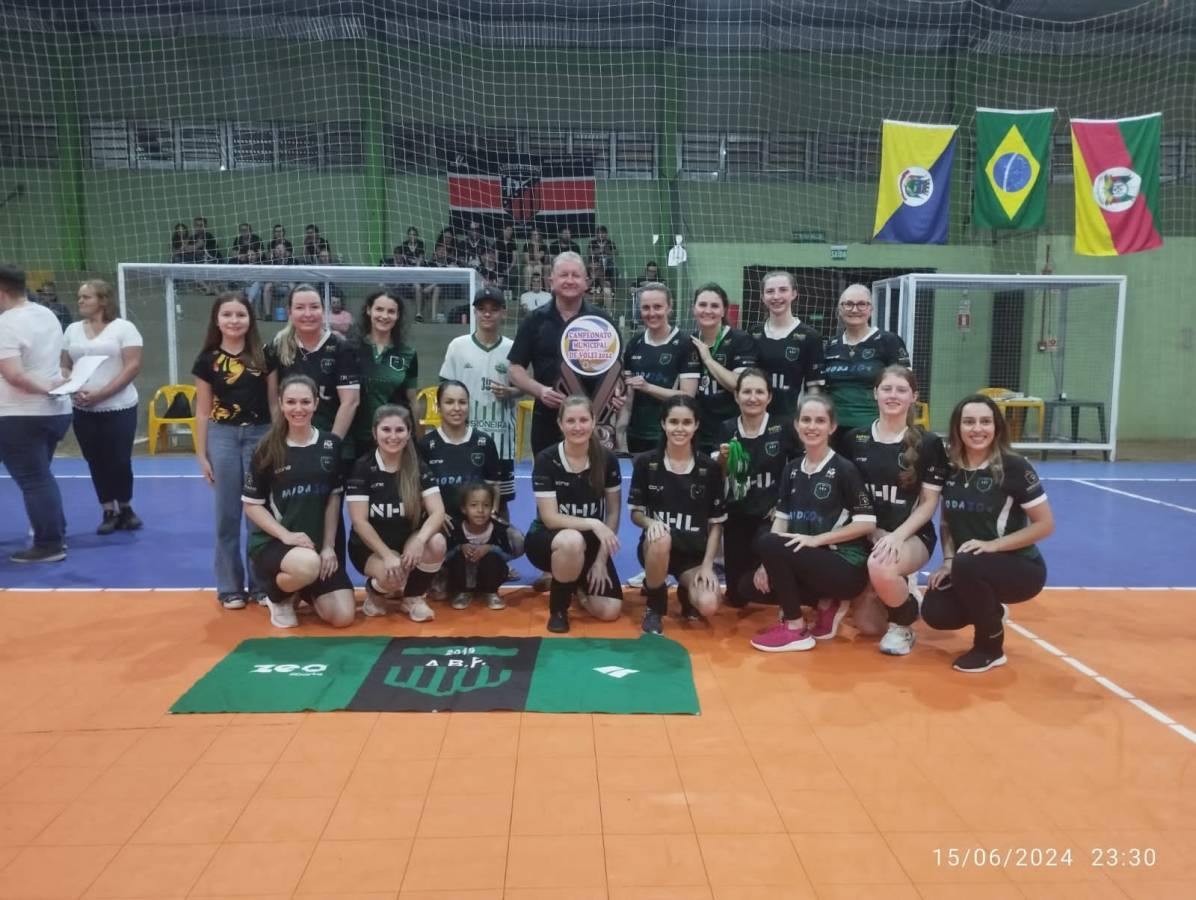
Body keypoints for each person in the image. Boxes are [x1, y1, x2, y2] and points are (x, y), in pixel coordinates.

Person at [922, 393, 1054, 673]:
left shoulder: (1013, 467)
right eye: (969, 422)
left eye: (985, 421)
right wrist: (948, 561)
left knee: (968, 562)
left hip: (1021, 567)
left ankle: (990, 648)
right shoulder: (951, 466)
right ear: (958, 427)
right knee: (936, 612)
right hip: (969, 564)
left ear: (996, 427)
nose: (977, 429)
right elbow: (946, 522)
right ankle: (992, 610)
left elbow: (1045, 524)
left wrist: (994, 545)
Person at [749, 395, 877, 652]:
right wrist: (767, 563)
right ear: (796, 425)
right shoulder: (792, 469)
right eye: (806, 420)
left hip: (845, 565)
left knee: (768, 543)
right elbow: (782, 520)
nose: (812, 426)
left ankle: (795, 628)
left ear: (832, 427)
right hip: (811, 560)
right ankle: (825, 603)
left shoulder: (844, 469)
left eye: (820, 421)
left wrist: (816, 540)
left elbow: (867, 523)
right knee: (749, 586)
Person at [842, 366, 947, 655]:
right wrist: (872, 530)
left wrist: (896, 536)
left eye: (901, 390)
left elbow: (928, 503)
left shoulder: (928, 443)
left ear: (914, 396)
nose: (893, 395)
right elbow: (849, 497)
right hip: (866, 533)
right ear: (875, 393)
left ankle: (903, 623)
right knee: (868, 626)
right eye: (887, 389)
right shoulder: (855, 439)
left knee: (881, 564)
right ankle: (900, 592)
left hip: (910, 536)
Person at [243, 375, 357, 629]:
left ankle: (303, 587)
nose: (298, 409)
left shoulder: (330, 444)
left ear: (316, 403)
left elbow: (333, 498)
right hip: (274, 543)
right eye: (291, 402)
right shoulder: (267, 448)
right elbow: (252, 505)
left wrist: (328, 546)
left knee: (343, 616)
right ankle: (277, 597)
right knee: (308, 564)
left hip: (316, 548)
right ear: (281, 404)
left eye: (305, 402)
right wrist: (286, 536)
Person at [193, 291, 275, 609]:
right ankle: (230, 587)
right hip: (223, 437)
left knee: (259, 513)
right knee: (227, 515)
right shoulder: (207, 360)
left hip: (260, 435)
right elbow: (203, 411)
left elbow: (274, 405)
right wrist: (202, 455)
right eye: (227, 314)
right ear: (217, 320)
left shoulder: (264, 356)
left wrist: (278, 442)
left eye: (240, 314)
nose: (234, 320)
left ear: (250, 319)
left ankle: (261, 585)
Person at [508, 252, 624, 454]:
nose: (570, 280)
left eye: (576, 275)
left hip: (593, 423)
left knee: (595, 474)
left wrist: (617, 392)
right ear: (551, 281)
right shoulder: (534, 321)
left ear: (586, 282)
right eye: (564, 275)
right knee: (548, 474)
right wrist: (540, 391)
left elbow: (616, 369)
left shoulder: (602, 321)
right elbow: (514, 369)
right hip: (547, 421)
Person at [525, 395, 624, 633]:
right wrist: (593, 523)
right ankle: (559, 609)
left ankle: (577, 585)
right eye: (570, 421)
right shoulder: (546, 459)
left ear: (593, 421)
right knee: (571, 540)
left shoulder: (607, 459)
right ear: (560, 424)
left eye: (583, 420)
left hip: (589, 543)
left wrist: (600, 560)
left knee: (609, 611)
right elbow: (550, 518)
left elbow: (613, 513)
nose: (577, 427)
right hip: (547, 539)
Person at [629, 396, 726, 634]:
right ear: (663, 423)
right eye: (673, 422)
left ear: (696, 425)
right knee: (662, 537)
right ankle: (655, 605)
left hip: (693, 555)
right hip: (656, 548)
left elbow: (716, 524)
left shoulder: (710, 469)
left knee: (708, 605)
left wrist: (707, 566)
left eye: (686, 422)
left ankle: (686, 593)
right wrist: (650, 522)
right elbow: (636, 514)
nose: (680, 428)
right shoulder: (646, 463)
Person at [346, 404, 446, 622]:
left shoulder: (418, 466)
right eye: (386, 430)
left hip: (406, 539)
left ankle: (413, 598)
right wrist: (387, 555)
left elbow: (438, 511)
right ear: (375, 433)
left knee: (436, 543)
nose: (393, 436)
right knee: (392, 575)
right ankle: (375, 591)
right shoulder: (362, 468)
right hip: (369, 547)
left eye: (400, 430)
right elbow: (359, 522)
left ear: (409, 433)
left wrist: (419, 540)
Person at [61, 279, 144, 535]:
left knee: (119, 459)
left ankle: (126, 507)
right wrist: (71, 385)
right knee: (95, 459)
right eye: (79, 297)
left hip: (120, 407)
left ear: (103, 300)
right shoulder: (72, 330)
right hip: (83, 409)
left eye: (86, 297)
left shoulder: (124, 328)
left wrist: (102, 394)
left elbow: (132, 366)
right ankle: (108, 509)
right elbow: (64, 365)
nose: (80, 301)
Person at [0, 264, 71, 563]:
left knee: (34, 479)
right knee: (40, 476)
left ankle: (49, 543)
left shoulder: (6, 324)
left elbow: (15, 375)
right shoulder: (46, 314)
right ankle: (54, 533)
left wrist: (46, 387)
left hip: (21, 414)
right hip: (54, 412)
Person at [716, 368, 800, 608]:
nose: (753, 398)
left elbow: (799, 471)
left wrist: (784, 506)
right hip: (737, 516)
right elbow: (718, 476)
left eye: (759, 392)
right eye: (747, 392)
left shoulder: (784, 427)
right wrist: (722, 460)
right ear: (736, 396)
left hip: (771, 517)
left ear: (769, 397)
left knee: (772, 588)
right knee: (737, 597)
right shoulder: (726, 429)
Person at [439, 286, 520, 505]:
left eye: (494, 309)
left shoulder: (513, 348)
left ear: (503, 313)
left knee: (500, 502)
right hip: (464, 437)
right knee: (461, 499)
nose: (487, 314)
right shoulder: (458, 346)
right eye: (482, 309)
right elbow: (444, 387)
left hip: (501, 437)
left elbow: (522, 388)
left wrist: (511, 392)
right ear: (474, 312)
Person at [267, 283, 360, 455]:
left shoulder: (342, 348)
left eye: (314, 307)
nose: (308, 313)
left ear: (323, 311)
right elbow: (274, 402)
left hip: (333, 442)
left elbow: (350, 402)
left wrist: (330, 445)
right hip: (290, 443)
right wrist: (281, 438)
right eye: (300, 307)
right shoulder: (277, 347)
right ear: (290, 312)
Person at [822, 283, 911, 446]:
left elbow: (906, 386)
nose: (855, 309)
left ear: (871, 309)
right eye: (848, 304)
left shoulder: (889, 341)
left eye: (862, 304)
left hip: (874, 429)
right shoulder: (830, 345)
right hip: (833, 429)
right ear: (840, 309)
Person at [619, 281, 698, 454]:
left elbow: (688, 396)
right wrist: (619, 432)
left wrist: (648, 387)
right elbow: (629, 397)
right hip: (636, 435)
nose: (651, 313)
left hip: (670, 434)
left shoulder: (685, 344)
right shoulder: (634, 343)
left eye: (657, 307)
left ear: (669, 307)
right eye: (646, 308)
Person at [684, 282, 758, 454]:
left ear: (724, 311)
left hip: (731, 430)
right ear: (694, 309)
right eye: (702, 305)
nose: (708, 310)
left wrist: (708, 360)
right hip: (697, 431)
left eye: (714, 306)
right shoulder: (689, 341)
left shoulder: (741, 340)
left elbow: (739, 384)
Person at [417, 380, 504, 516]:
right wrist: (436, 516)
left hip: (476, 522)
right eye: (449, 402)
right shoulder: (425, 445)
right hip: (440, 523)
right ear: (438, 406)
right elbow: (418, 491)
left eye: (462, 402)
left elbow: (493, 486)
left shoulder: (484, 442)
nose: (457, 408)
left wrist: (490, 516)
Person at [352, 289, 417, 456]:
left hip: (393, 439)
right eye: (379, 309)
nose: (384, 316)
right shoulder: (350, 349)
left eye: (391, 311)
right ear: (369, 310)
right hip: (355, 440)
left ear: (398, 316)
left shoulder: (408, 354)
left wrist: (416, 439)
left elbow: (412, 400)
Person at [752, 270, 824, 416]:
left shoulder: (811, 336)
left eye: (783, 290)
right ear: (763, 297)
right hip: (757, 417)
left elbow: (814, 388)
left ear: (794, 293)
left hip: (791, 419)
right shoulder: (753, 334)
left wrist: (809, 419)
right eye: (770, 291)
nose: (776, 296)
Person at [444, 482, 524, 611]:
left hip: (489, 575)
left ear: (492, 507)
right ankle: (463, 591)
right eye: (474, 505)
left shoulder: (499, 529)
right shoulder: (455, 528)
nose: (480, 510)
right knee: (458, 558)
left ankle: (491, 592)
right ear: (464, 508)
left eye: (486, 505)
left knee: (492, 558)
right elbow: (445, 557)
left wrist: (490, 548)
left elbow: (509, 554)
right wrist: (460, 547)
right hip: (464, 575)